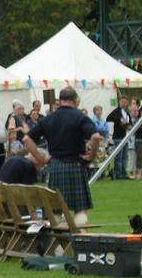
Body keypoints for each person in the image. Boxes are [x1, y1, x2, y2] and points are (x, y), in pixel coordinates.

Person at [23, 86, 100, 227]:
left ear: (60, 100)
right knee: (80, 210)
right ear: (76, 100)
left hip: (56, 165)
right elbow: (95, 137)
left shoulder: (48, 118)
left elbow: (27, 140)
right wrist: (91, 157)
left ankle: (58, 247)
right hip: (76, 164)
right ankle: (80, 242)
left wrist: (42, 159)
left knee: (56, 209)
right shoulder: (80, 117)